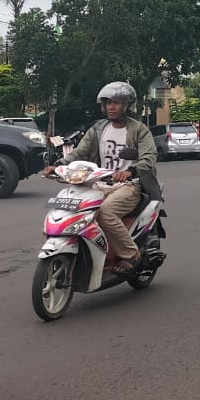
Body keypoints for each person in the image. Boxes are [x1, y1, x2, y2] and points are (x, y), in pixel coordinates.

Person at [42, 82, 160, 274]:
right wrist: (59, 165)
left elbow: (149, 157)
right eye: (108, 103)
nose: (111, 107)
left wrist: (131, 171)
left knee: (105, 213)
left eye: (116, 103)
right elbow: (80, 152)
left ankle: (131, 254)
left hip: (128, 186)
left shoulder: (139, 130)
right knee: (75, 209)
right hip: (98, 183)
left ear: (127, 105)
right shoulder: (98, 129)